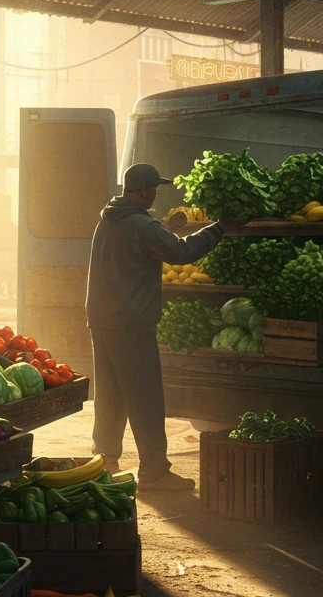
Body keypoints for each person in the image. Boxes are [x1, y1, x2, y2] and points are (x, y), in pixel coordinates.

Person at [85, 163, 232, 492]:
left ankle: (104, 461)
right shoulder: (141, 224)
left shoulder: (109, 218)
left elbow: (137, 245)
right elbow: (182, 252)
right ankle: (154, 471)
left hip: (102, 320)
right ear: (143, 192)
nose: (156, 194)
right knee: (145, 398)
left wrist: (166, 226)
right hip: (131, 324)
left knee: (110, 394)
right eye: (153, 190)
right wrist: (219, 227)